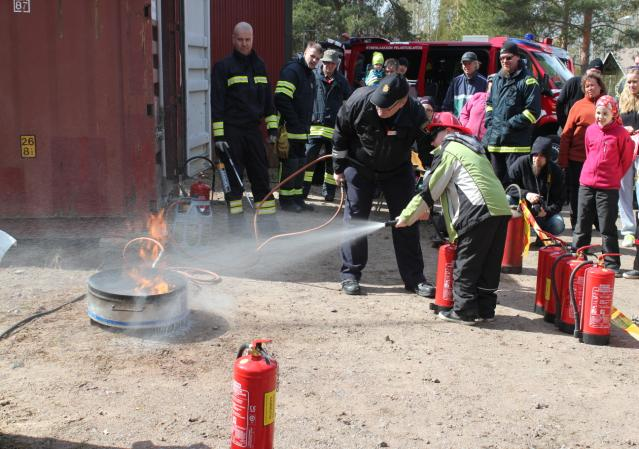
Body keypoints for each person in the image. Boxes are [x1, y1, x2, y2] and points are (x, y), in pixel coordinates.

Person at [396, 112, 512, 324]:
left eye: (434, 133)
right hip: (501, 210)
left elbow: (430, 189)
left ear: (449, 131)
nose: (431, 140)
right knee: (488, 264)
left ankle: (464, 312)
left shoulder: (450, 149)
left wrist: (406, 217)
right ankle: (485, 310)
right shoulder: (474, 148)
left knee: (466, 265)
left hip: (477, 211)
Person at [332, 74, 435, 297]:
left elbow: (428, 148)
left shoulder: (416, 113)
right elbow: (340, 132)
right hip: (360, 166)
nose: (380, 110)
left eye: (387, 107)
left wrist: (429, 182)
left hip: (397, 170)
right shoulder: (359, 101)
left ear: (402, 102)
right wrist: (338, 168)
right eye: (378, 104)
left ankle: (415, 279)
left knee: (407, 220)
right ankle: (350, 275)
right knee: (355, 219)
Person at [211, 22, 279, 218]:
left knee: (261, 174)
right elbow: (217, 104)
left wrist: (272, 130)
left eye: (247, 40)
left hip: (253, 130)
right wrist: (219, 137)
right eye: (240, 40)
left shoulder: (260, 65)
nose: (244, 44)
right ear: (233, 39)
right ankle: (236, 224)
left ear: (252, 39)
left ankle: (266, 222)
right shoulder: (223, 67)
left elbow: (268, 101)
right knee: (234, 180)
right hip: (231, 132)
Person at [572, 96, 633, 276]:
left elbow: (626, 159)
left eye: (604, 113)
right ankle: (579, 254)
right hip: (587, 182)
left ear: (613, 114)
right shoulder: (590, 130)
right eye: (598, 113)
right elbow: (588, 151)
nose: (600, 116)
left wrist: (614, 176)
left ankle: (611, 261)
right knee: (582, 220)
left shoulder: (621, 134)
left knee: (607, 225)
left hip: (608, 186)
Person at [483, 42, 541, 185]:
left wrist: (508, 125)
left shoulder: (528, 81)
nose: (504, 61)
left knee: (515, 188)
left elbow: (533, 112)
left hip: (516, 146)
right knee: (496, 187)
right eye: (502, 58)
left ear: (517, 58)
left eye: (508, 58)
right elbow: (490, 104)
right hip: (495, 144)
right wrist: (489, 121)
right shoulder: (496, 79)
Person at [274, 41, 321, 212]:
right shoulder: (292, 71)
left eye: (318, 58)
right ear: (305, 52)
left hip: (302, 131)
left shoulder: (308, 74)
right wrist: (294, 122)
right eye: (312, 56)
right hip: (290, 130)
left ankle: (297, 199)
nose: (314, 60)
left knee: (300, 165)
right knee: (290, 165)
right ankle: (286, 201)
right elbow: (281, 98)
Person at [303, 49, 351, 202]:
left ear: (336, 65)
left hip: (333, 129)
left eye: (331, 63)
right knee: (308, 161)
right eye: (325, 63)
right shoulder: (313, 77)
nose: (328, 66)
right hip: (315, 127)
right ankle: (303, 192)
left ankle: (329, 193)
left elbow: (348, 103)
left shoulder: (342, 81)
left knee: (332, 164)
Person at [559, 72, 606, 229]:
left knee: (599, 193)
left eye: (593, 85)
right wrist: (563, 160)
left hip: (600, 160)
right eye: (587, 86)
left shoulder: (608, 104)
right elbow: (566, 135)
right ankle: (577, 222)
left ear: (600, 86)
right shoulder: (578, 106)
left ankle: (599, 222)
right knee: (577, 192)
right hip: (577, 159)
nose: (590, 88)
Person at [508, 136, 566, 240]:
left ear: (547, 158)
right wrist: (526, 194)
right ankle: (513, 235)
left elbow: (559, 200)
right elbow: (507, 185)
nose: (537, 159)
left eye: (541, 156)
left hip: (543, 211)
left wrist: (547, 211)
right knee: (507, 199)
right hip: (521, 207)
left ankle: (543, 238)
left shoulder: (556, 172)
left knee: (558, 224)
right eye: (535, 155)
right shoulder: (521, 163)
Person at [617, 68, 639, 248]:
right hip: (624, 151)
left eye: (635, 82)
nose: (632, 85)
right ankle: (628, 231)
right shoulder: (621, 101)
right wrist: (624, 130)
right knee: (624, 190)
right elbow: (614, 124)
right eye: (629, 82)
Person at [556, 58, 603, 128]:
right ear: (587, 71)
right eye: (593, 71)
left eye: (598, 73)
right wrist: (564, 124)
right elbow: (559, 104)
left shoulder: (600, 90)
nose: (594, 74)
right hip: (568, 126)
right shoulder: (572, 83)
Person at [441, 51, 487, 117]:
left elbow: (487, 106)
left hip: (473, 125)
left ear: (475, 64)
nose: (466, 66)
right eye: (464, 64)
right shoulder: (455, 81)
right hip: (457, 124)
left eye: (469, 63)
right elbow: (447, 106)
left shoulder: (484, 82)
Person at [459, 74, 494, 141]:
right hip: (468, 138)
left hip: (485, 142)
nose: (492, 86)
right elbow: (464, 113)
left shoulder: (501, 102)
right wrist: (466, 127)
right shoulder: (478, 96)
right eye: (491, 83)